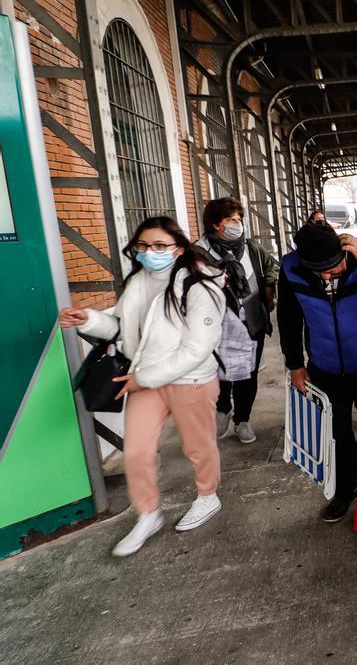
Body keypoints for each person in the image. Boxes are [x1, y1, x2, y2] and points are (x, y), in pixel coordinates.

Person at [59, 217, 226, 556]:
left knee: (198, 447)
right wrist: (89, 319)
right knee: (135, 451)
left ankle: (208, 496)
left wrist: (143, 378)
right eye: (143, 246)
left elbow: (197, 348)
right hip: (145, 381)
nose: (151, 252)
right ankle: (148, 513)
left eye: (160, 246)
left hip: (189, 380)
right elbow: (123, 327)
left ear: (178, 247)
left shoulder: (200, 285)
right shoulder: (137, 282)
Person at [277, 224, 357, 522]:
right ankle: (345, 490)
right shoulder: (291, 269)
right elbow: (288, 318)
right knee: (336, 434)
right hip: (325, 367)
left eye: (332, 269)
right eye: (319, 273)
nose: (326, 277)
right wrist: (295, 364)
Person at [193, 197, 278, 444]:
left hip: (251, 320)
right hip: (217, 325)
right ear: (214, 223)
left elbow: (270, 267)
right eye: (231, 219)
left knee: (248, 373)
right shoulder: (199, 253)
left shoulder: (250, 248)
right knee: (220, 372)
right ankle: (222, 408)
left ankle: (243, 419)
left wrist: (268, 290)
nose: (237, 224)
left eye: (239, 219)